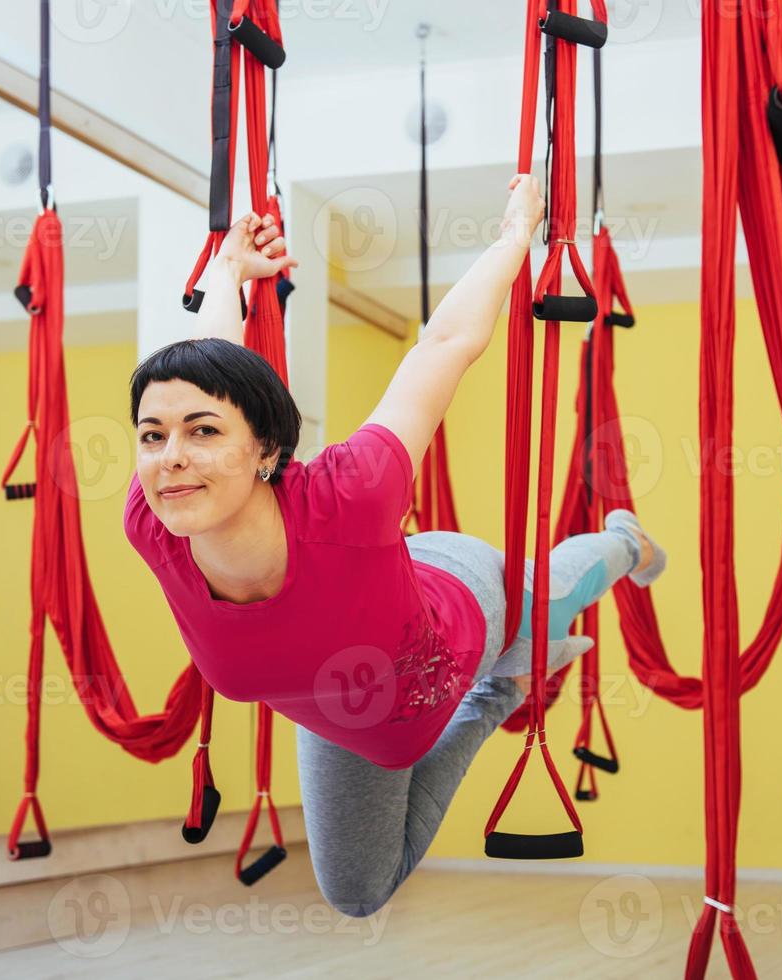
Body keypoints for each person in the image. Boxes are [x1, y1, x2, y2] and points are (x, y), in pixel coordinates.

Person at [124, 174, 665, 917]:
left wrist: (514, 238)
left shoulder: (350, 492)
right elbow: (208, 368)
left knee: (550, 595)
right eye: (151, 437)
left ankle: (622, 541)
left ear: (265, 451)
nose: (169, 456)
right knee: (357, 892)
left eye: (202, 433)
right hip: (346, 716)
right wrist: (227, 274)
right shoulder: (155, 520)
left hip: (458, 602)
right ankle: (506, 689)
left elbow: (442, 346)